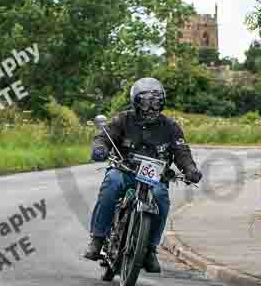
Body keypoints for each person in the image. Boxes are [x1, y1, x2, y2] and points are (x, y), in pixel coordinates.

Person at [83, 77, 203, 273]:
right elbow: (104, 137)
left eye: (156, 102)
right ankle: (97, 239)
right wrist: (100, 148)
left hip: (154, 178)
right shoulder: (123, 120)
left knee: (161, 197)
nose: (151, 108)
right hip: (125, 171)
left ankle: (150, 250)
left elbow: (182, 152)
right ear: (136, 102)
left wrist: (190, 169)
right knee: (111, 183)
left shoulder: (171, 127)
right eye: (146, 102)